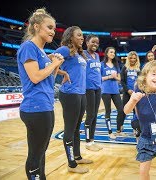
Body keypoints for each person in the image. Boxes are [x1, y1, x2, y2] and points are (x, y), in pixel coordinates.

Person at [17, 8, 64, 179]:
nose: (53, 31)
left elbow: (48, 80)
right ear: (36, 27)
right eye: (49, 27)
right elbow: (36, 77)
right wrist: (52, 64)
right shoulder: (28, 47)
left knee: (41, 151)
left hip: (44, 106)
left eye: (54, 28)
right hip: (35, 108)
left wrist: (56, 64)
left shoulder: (42, 52)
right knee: (36, 155)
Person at [54, 26, 92, 174]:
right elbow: (49, 60)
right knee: (70, 129)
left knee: (77, 127)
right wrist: (62, 72)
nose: (82, 38)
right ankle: (71, 164)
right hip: (70, 94)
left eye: (82, 35)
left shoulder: (79, 53)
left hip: (81, 94)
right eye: (79, 35)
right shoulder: (65, 49)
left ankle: (77, 156)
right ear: (71, 37)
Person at [101, 47, 127, 139]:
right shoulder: (102, 65)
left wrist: (115, 77)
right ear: (107, 53)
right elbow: (99, 78)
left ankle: (118, 130)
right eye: (111, 52)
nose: (113, 54)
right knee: (108, 111)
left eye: (114, 52)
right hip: (105, 91)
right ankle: (110, 132)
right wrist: (109, 77)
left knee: (121, 110)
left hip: (115, 90)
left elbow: (120, 79)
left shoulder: (116, 66)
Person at [83, 34, 103, 151]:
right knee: (90, 115)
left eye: (97, 43)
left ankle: (92, 140)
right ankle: (87, 142)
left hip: (98, 88)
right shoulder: (83, 54)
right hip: (88, 88)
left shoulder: (96, 56)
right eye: (93, 42)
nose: (95, 44)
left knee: (95, 115)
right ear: (87, 42)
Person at [120, 51, 141, 141]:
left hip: (136, 93)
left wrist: (136, 91)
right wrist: (128, 90)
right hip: (127, 93)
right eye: (131, 58)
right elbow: (122, 81)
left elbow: (140, 81)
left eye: (134, 58)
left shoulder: (139, 69)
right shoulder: (125, 68)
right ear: (128, 59)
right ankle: (120, 127)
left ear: (136, 59)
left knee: (136, 112)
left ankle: (135, 129)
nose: (132, 60)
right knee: (123, 110)